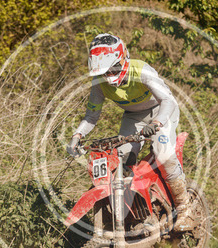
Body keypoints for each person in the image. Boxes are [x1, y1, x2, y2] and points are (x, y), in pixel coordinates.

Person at [66, 33, 192, 231]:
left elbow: (168, 100)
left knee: (163, 154)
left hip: (161, 111)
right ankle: (139, 213)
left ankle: (185, 209)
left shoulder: (141, 71)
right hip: (133, 117)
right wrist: (77, 136)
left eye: (113, 69)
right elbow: (91, 116)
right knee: (121, 161)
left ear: (123, 58)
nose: (109, 76)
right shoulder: (99, 84)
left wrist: (157, 123)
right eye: (104, 72)